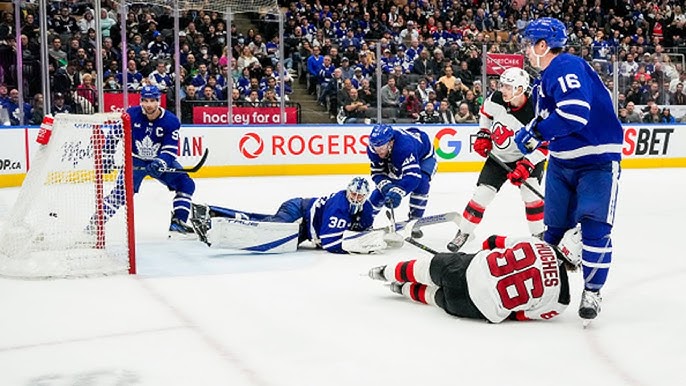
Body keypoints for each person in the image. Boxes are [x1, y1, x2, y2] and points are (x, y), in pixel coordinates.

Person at [514, 17, 623, 322]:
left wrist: (535, 135)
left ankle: (592, 290)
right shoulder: (547, 78)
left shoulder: (565, 65)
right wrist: (530, 150)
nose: (525, 49)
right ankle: (550, 292)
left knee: (594, 228)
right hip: (562, 163)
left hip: (596, 162)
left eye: (528, 43)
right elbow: (554, 125)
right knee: (553, 233)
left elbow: (574, 115)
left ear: (542, 45)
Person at [368, 228, 582, 323]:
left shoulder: (537, 243)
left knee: (424, 269)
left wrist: (478, 259)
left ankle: (383, 272)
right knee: (436, 298)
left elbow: (491, 241)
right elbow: (517, 315)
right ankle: (401, 289)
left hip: (464, 268)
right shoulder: (561, 302)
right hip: (472, 307)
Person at [448, 67, 546, 252]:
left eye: (508, 86)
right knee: (481, 195)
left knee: (531, 196)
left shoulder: (536, 109)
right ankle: (464, 232)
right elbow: (485, 114)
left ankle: (539, 236)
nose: (503, 89)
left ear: (520, 88)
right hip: (498, 157)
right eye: (502, 85)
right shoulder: (496, 98)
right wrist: (484, 133)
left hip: (527, 157)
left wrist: (527, 164)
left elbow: (546, 145)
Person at [99, 85, 196, 236]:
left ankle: (178, 223)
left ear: (158, 101)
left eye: (152, 100)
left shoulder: (171, 121)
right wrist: (107, 155)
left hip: (158, 162)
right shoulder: (131, 115)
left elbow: (170, 150)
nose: (149, 104)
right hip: (136, 161)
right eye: (145, 100)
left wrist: (161, 162)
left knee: (186, 184)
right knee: (120, 195)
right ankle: (96, 224)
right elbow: (114, 135)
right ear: (141, 101)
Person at [190, 177, 375, 254]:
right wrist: (356, 248)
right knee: (268, 231)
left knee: (268, 227)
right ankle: (213, 221)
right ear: (347, 191)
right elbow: (329, 243)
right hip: (298, 212)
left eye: (360, 196)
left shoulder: (363, 204)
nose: (356, 198)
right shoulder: (339, 205)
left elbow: (364, 225)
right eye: (353, 194)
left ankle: (212, 213)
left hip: (304, 226)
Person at [367, 124, 437, 238]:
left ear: (391, 142)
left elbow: (413, 177)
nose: (378, 151)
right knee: (381, 190)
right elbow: (377, 173)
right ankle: (365, 221)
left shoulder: (404, 146)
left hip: (424, 156)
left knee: (422, 183)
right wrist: (386, 186)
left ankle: (415, 220)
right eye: (375, 147)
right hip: (396, 155)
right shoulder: (374, 149)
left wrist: (398, 192)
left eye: (381, 147)